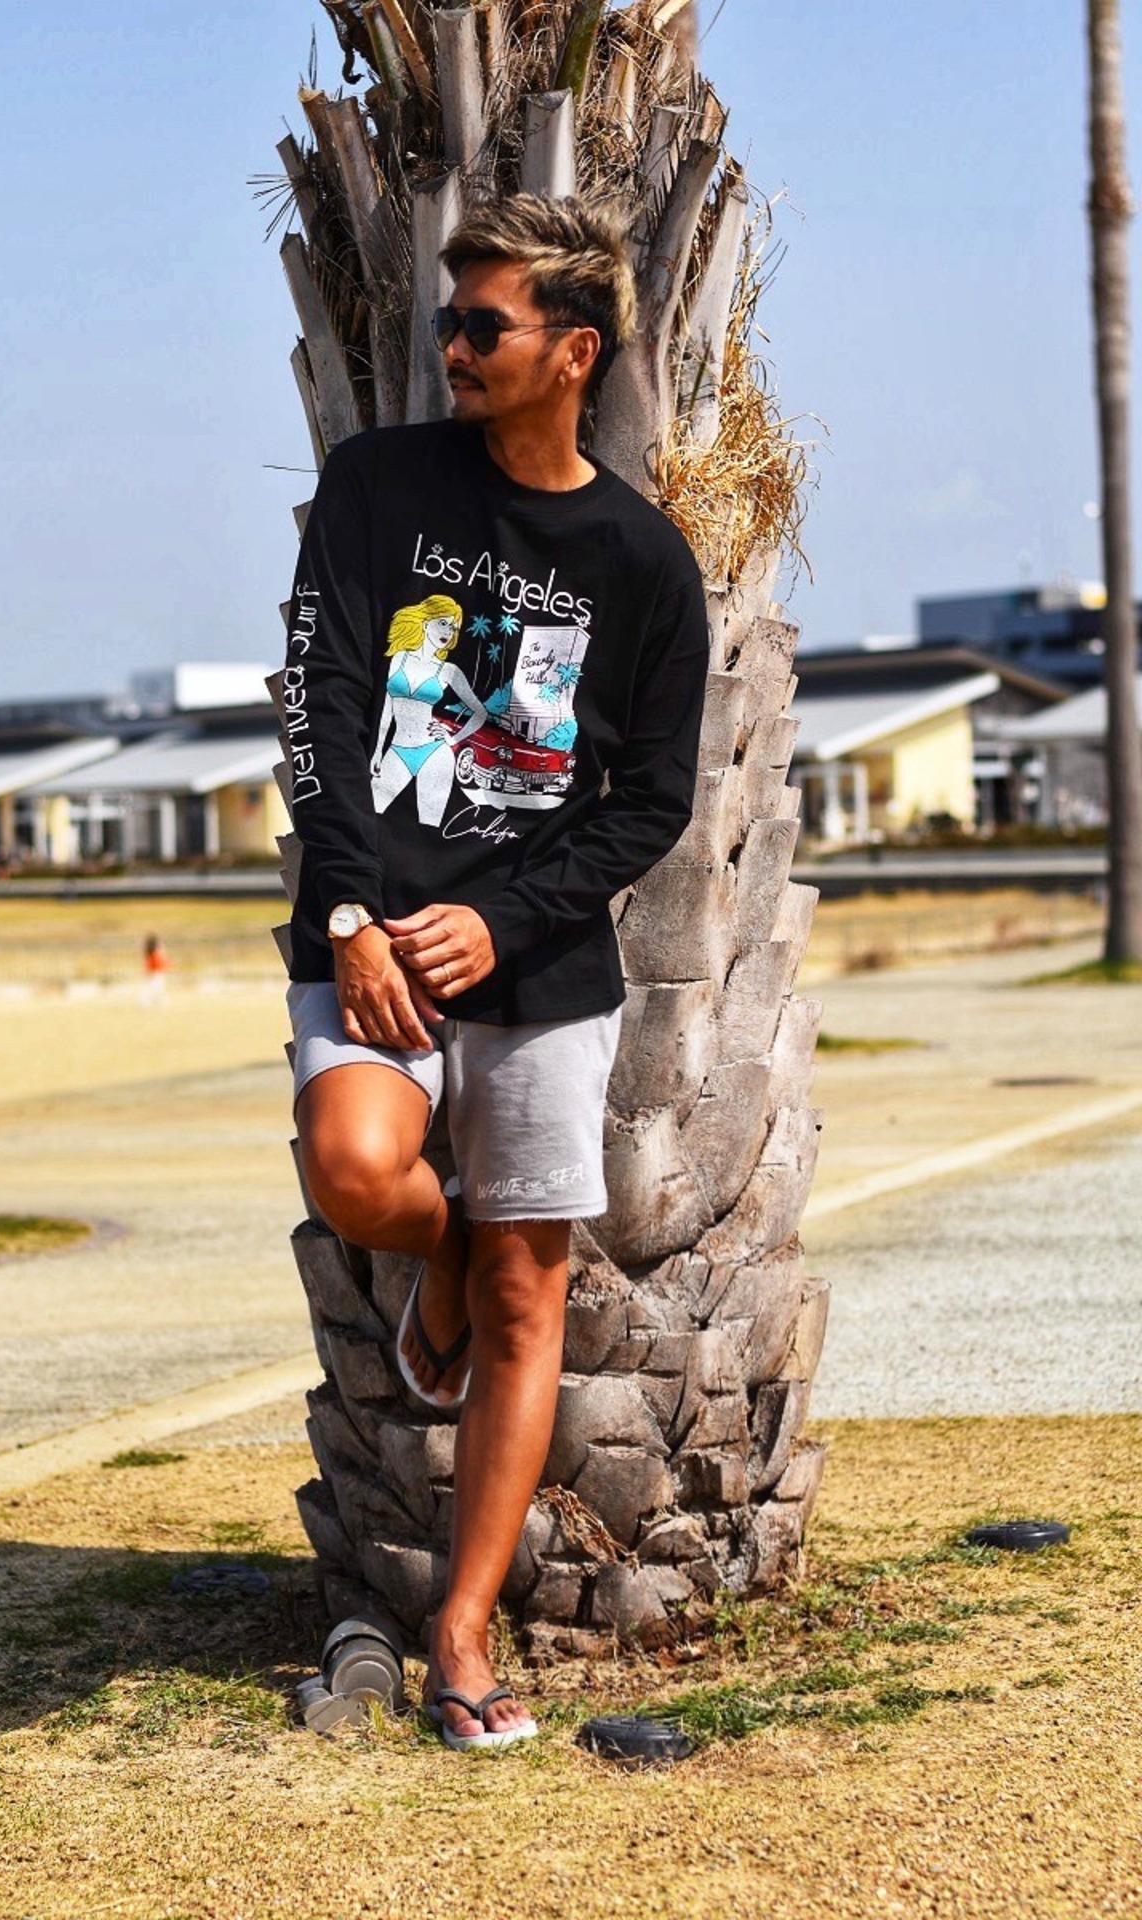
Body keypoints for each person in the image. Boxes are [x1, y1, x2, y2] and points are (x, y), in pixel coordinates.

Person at [281, 193, 711, 1752]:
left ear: (573, 351)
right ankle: (444, 1248)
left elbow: (649, 804)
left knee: (529, 1295)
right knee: (354, 1168)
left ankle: (462, 1634)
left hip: (535, 966)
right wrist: (351, 916)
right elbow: (321, 703)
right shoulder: (378, 485)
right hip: (370, 934)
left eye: (484, 325)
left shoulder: (642, 562)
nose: (453, 349)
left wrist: (505, 918)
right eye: (447, 324)